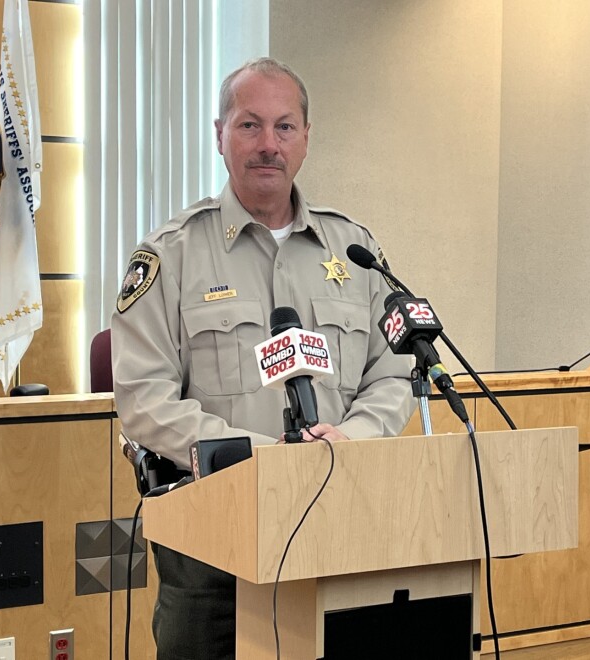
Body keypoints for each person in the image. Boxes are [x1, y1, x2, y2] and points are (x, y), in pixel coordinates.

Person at [111, 58, 415, 659]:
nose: (268, 145)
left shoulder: (355, 251)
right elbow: (144, 402)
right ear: (219, 135)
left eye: (284, 127)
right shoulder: (169, 256)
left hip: (339, 526)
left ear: (306, 138)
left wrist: (353, 437)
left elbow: (396, 369)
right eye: (249, 126)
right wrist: (262, 461)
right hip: (210, 549)